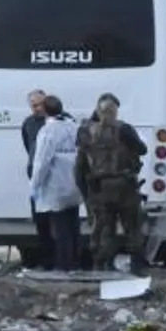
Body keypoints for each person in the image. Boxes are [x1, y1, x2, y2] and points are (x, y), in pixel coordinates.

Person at [75, 93, 147, 273]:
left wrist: (85, 194)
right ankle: (136, 265)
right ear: (115, 111)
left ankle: (101, 265)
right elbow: (142, 149)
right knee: (132, 226)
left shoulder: (85, 131)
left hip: (99, 188)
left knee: (103, 228)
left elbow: (80, 166)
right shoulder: (124, 129)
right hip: (125, 186)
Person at [30, 95, 83, 272]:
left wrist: (35, 184)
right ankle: (75, 261)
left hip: (55, 185)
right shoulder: (73, 126)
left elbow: (42, 161)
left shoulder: (48, 131)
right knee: (73, 224)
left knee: (59, 227)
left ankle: (63, 264)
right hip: (73, 182)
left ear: (45, 110)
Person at [22, 89, 53, 268]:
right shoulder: (28, 123)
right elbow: (28, 145)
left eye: (41, 104)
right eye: (34, 105)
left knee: (56, 221)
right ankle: (46, 259)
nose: (38, 108)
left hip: (54, 180)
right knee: (40, 221)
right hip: (36, 179)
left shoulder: (55, 122)